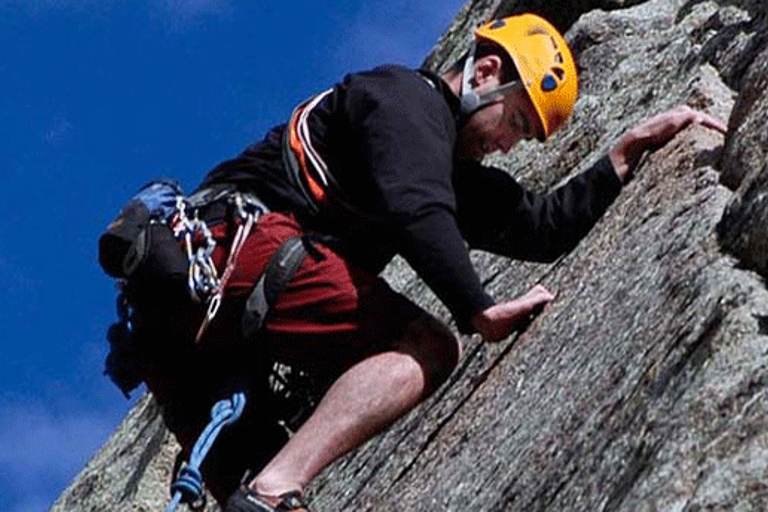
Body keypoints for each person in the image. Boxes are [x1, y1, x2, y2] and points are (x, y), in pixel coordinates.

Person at [148, 13, 726, 512]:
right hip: (237, 255)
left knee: (244, 487)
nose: (510, 145)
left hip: (191, 333)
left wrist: (625, 153)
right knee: (425, 347)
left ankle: (266, 490)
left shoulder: (438, 161)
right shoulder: (401, 99)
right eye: (518, 122)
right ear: (485, 74)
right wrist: (477, 309)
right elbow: (417, 207)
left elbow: (541, 226)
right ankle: (276, 489)